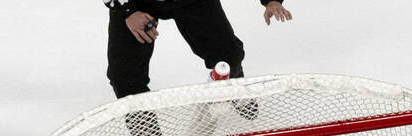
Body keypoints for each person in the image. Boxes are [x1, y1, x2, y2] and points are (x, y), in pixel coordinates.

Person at [104, 0, 292, 99]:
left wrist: (271, 0)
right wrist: (127, 10)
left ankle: (235, 89)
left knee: (227, 57)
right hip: (137, 3)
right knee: (123, 77)